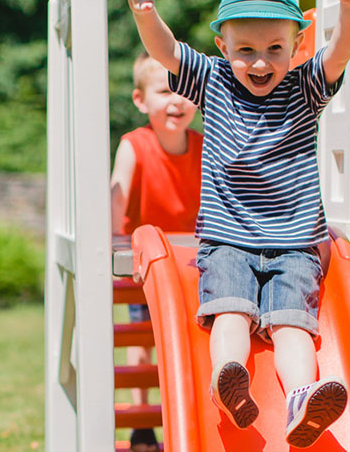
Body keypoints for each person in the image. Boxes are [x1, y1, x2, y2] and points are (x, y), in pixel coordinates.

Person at [120, 0, 350, 448]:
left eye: (275, 48)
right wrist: (144, 9)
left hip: (295, 245)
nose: (260, 62)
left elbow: (341, 53)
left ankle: (302, 397)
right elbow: (167, 52)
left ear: (296, 45)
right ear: (222, 45)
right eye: (246, 50)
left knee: (293, 327)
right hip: (228, 240)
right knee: (231, 312)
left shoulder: (305, 87)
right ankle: (229, 378)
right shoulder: (213, 80)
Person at [110, 52, 202, 452]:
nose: (176, 100)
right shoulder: (134, 145)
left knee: (186, 339)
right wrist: (114, 245)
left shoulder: (204, 146)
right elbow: (117, 201)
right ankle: (141, 420)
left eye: (184, 90)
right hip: (145, 262)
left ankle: (185, 417)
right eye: (165, 91)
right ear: (140, 100)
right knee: (143, 337)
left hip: (190, 262)